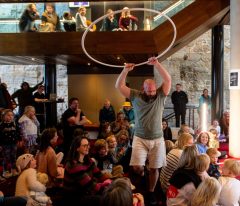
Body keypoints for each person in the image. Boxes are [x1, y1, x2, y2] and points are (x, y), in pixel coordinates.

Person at [115, 56, 171, 205]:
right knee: (136, 167)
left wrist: (157, 64)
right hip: (140, 137)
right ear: (143, 89)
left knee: (154, 169)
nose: (152, 93)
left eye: (153, 90)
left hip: (158, 138)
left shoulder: (160, 95)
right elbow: (119, 86)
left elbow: (168, 80)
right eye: (149, 91)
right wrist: (125, 70)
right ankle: (143, 174)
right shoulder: (135, 96)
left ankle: (151, 192)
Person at [63, 136, 111, 205]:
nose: (88, 147)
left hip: (85, 192)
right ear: (77, 148)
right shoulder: (73, 165)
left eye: (88, 145)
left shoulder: (88, 160)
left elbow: (99, 174)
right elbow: (90, 186)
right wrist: (109, 190)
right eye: (85, 146)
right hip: (74, 197)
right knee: (103, 199)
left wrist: (111, 182)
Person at [0, 109, 20, 177]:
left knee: (13, 157)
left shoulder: (14, 124)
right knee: (6, 158)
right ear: (3, 116)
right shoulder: (1, 125)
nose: (10, 117)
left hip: (14, 143)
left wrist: (19, 140)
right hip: (5, 145)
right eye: (8, 115)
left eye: (12, 115)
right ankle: (5, 171)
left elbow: (18, 133)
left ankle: (13, 170)